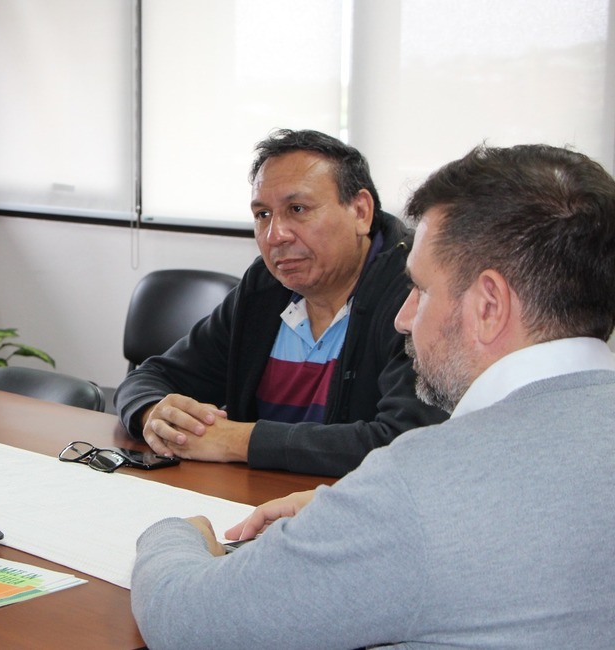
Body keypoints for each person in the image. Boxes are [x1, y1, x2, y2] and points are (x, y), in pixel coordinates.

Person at [131, 143, 615, 648]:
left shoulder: (416, 488)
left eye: (421, 291)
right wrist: (352, 513)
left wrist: (172, 533)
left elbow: (186, 622)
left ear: (489, 305)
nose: (404, 318)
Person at [115, 129, 447, 477]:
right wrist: (153, 413)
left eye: (297, 209)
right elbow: (151, 376)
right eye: (262, 215)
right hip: (248, 503)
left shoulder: (414, 294)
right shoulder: (265, 287)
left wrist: (238, 441)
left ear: (361, 212)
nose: (275, 236)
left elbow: (406, 442)